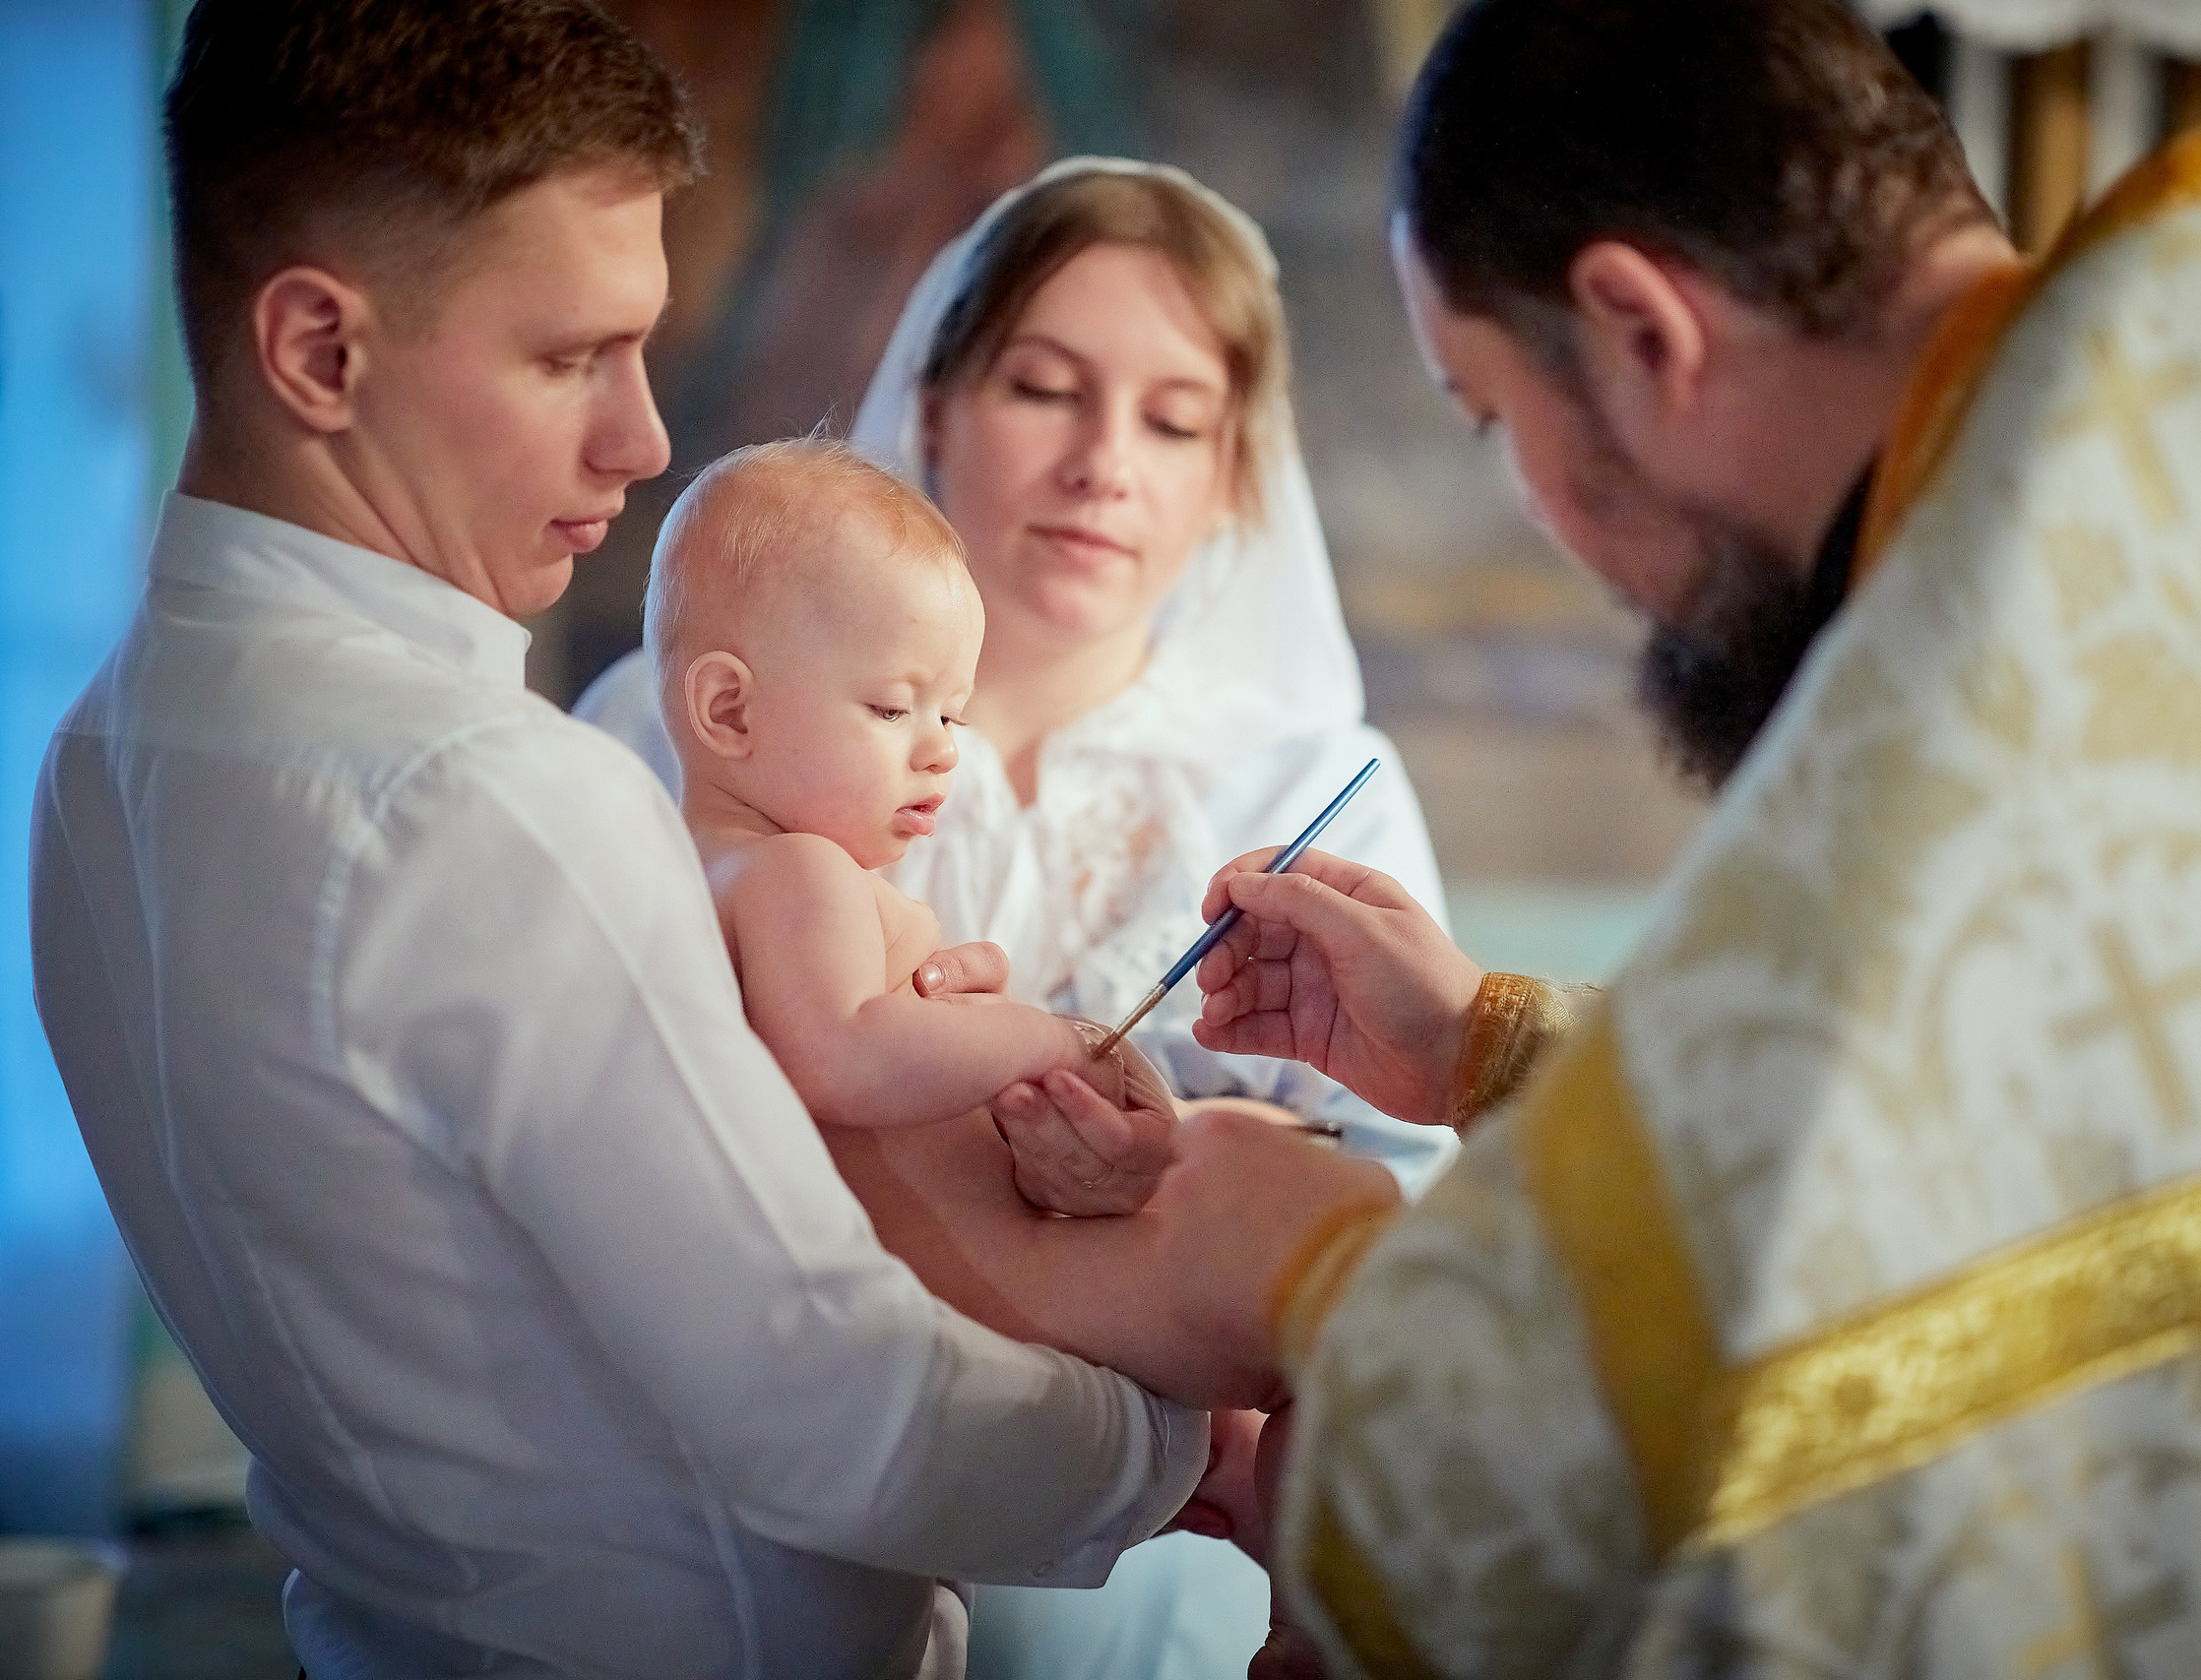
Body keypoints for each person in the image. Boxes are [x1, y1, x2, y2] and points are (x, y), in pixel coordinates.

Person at [1152, 2, 2201, 1674]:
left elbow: (1545, 1519)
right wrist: (1487, 1047)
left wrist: (1304, 1270)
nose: (1530, 503)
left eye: (1492, 418)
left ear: (1639, 331)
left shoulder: (1973, 687)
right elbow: (2014, 1140)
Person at [24, 6, 1303, 1674]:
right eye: (570, 358)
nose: (640, 437)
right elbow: (829, 1408)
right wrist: (1182, 1447)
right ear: (320, 353)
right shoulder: (495, 803)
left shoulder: (96, 756)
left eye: (643, 351)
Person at [578, 158, 1457, 1678]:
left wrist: (1161, 1155)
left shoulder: (1315, 779)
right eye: (1047, 389)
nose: (1106, 462)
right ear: (936, 400)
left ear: (1235, 472)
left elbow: (1392, 1202)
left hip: (1175, 1540)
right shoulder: (675, 735)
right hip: (776, 1474)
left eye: (1177, 420)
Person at [651, 433, 1265, 1405]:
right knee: (1275, 1248)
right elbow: (842, 1055)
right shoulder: (796, 869)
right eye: (895, 710)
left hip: (961, 1273)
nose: (943, 752)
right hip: (975, 1278)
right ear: (728, 710)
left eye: (955, 715)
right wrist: (1043, 1038)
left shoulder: (691, 866)